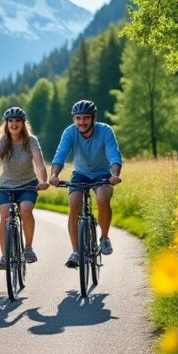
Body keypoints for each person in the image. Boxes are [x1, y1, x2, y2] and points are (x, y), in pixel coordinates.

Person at [48, 100, 123, 268]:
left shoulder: (105, 131)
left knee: (103, 197)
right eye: (78, 118)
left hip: (102, 174)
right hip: (80, 174)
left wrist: (114, 174)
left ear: (93, 118)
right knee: (74, 203)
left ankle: (104, 237)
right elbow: (60, 155)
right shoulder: (70, 132)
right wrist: (54, 175)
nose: (82, 122)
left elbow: (114, 154)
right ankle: (76, 251)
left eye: (86, 118)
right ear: (74, 119)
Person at [0, 107, 49, 270]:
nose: (14, 124)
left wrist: (43, 180)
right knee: (4, 215)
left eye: (17, 121)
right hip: (6, 186)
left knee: (25, 209)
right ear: (6, 124)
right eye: (10, 121)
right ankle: (4, 256)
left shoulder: (31, 141)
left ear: (23, 123)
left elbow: (40, 164)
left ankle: (28, 248)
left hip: (28, 184)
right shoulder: (1, 142)